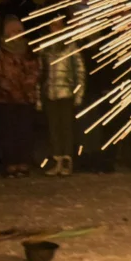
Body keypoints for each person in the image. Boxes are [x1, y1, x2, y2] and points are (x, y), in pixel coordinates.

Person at [0, 16, 40, 177]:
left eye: (18, 31)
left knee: (24, 131)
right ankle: (10, 163)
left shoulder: (28, 50)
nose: (16, 34)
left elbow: (35, 70)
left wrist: (26, 87)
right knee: (8, 132)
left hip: (25, 98)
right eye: (12, 31)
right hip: (6, 98)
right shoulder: (0, 51)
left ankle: (23, 162)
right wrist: (11, 89)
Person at [38, 14, 86, 177]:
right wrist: (39, 95)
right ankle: (56, 159)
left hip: (66, 92)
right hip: (50, 92)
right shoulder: (45, 47)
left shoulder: (70, 46)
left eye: (59, 25)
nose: (56, 28)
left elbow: (80, 70)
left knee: (66, 127)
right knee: (53, 128)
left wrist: (78, 93)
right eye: (53, 25)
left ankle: (67, 160)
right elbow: (40, 72)